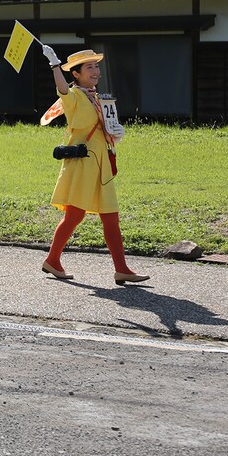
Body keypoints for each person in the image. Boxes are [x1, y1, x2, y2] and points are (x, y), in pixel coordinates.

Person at [39, 46, 148, 285]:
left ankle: (121, 269)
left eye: (96, 66)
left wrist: (116, 133)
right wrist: (55, 65)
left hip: (102, 164)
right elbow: (62, 90)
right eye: (89, 67)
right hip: (82, 163)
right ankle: (53, 260)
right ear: (76, 74)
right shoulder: (74, 96)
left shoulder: (100, 97)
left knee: (111, 217)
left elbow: (107, 128)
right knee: (74, 216)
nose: (96, 71)